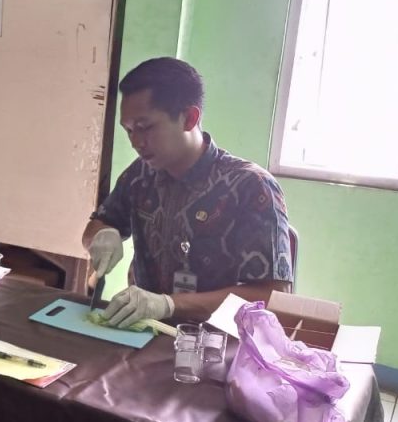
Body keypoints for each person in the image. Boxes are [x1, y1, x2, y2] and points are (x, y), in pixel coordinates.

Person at [82, 57, 292, 328]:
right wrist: (102, 235)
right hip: (143, 331)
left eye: (145, 128)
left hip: (217, 341)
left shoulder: (250, 186)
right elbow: (98, 224)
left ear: (190, 118)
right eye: (129, 130)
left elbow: (273, 296)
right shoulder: (141, 175)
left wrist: (169, 305)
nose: (136, 142)